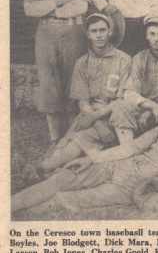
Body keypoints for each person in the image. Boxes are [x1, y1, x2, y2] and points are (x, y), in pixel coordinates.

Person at [12, 91, 158, 214]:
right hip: (118, 166)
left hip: (134, 185)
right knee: (62, 179)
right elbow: (131, 147)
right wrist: (92, 159)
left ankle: (21, 217)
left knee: (66, 199)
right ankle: (9, 207)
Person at [13, 13, 132, 182]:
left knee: (78, 142)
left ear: (110, 32)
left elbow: (122, 101)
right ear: (88, 34)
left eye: (102, 30)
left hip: (113, 116)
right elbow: (83, 101)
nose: (98, 35)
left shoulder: (124, 60)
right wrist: (95, 123)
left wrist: (96, 120)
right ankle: (41, 173)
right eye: (94, 31)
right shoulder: (82, 63)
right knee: (65, 141)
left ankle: (41, 171)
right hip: (90, 115)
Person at [23, 0, 90, 148]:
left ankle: (70, 141)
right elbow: (29, 9)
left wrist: (47, 6)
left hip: (73, 32)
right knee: (50, 85)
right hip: (46, 34)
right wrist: (60, 1)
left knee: (73, 83)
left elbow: (81, 5)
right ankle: (54, 141)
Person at [111, 15, 158, 144]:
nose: (156, 39)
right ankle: (128, 148)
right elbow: (130, 92)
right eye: (152, 34)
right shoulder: (139, 58)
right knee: (120, 106)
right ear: (146, 36)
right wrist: (151, 106)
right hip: (144, 107)